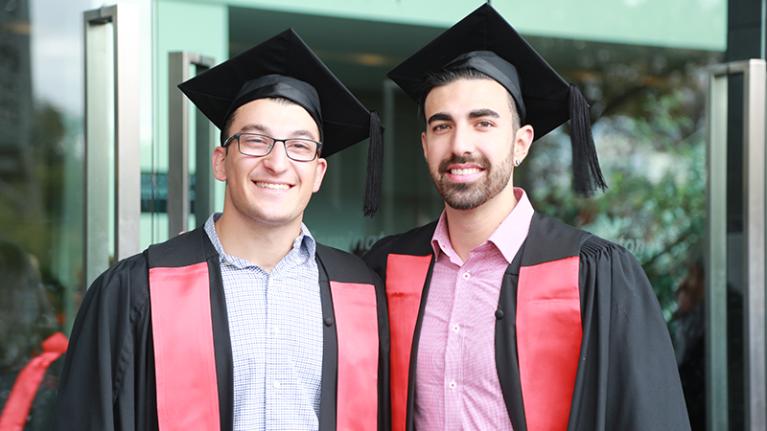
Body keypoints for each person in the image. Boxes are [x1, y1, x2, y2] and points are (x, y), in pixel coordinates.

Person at [364, 4, 690, 431]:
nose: (460, 144)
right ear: (425, 144)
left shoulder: (594, 273)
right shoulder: (387, 268)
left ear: (521, 143)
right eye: (442, 126)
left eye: (483, 124)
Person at [55, 29, 389, 431]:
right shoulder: (134, 291)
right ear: (220, 162)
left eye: (299, 146)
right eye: (254, 140)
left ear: (318, 173)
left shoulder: (360, 293)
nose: (277, 163)